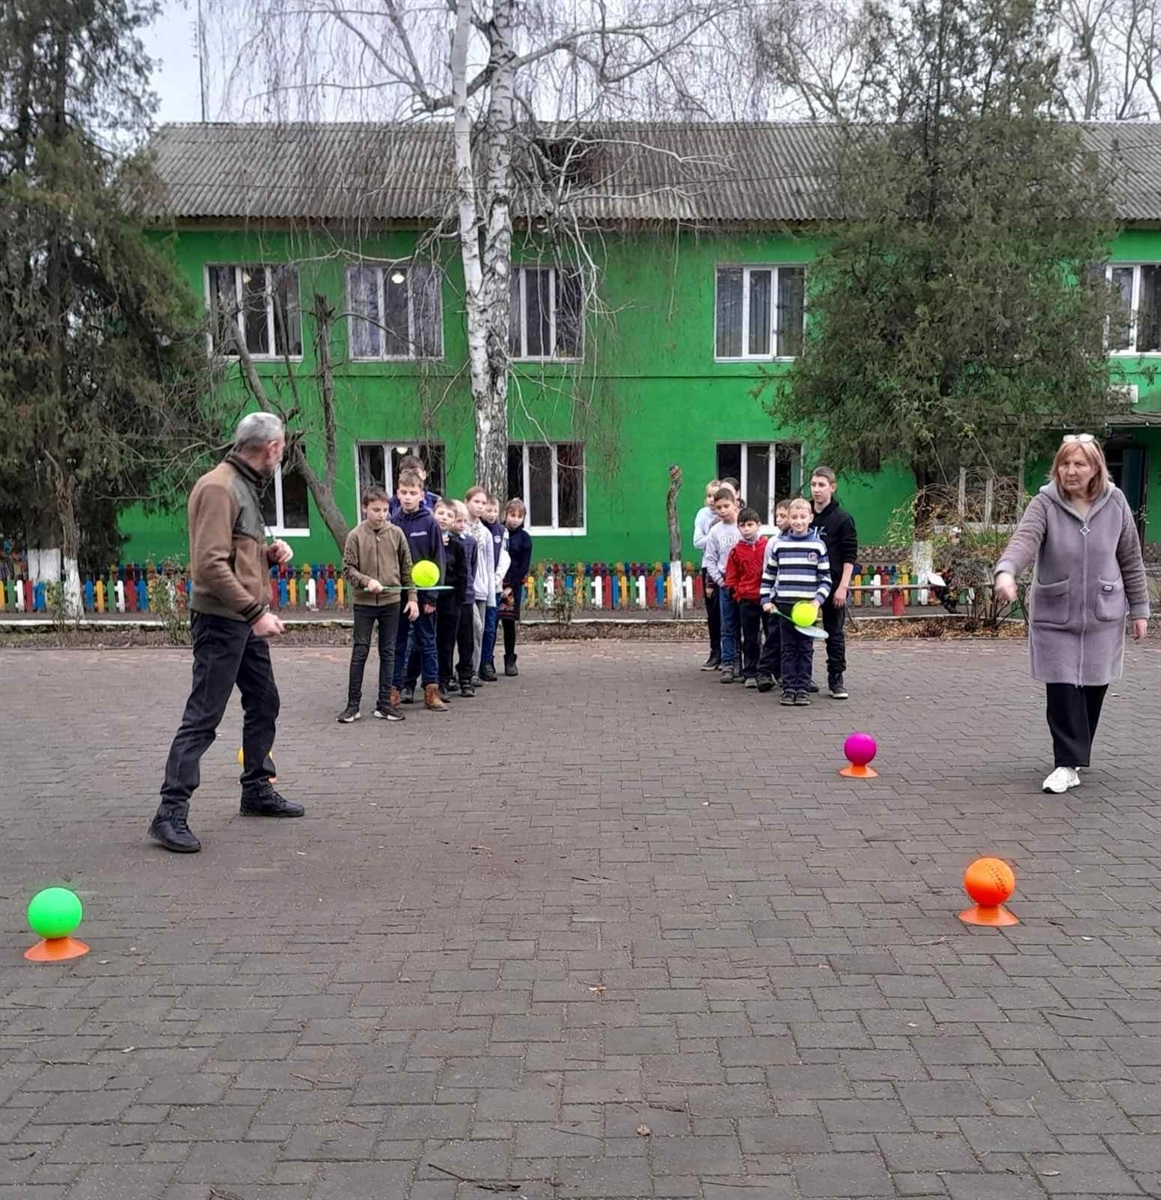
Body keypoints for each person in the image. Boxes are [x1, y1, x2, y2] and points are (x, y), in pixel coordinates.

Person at [149, 412, 302, 854]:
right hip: (222, 621)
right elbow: (209, 566)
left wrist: (267, 556)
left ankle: (256, 788)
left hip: (242, 620)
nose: (282, 455)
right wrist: (255, 613)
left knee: (264, 701)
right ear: (271, 448)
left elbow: (233, 557)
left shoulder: (243, 485)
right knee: (204, 715)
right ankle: (169, 813)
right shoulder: (219, 487)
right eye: (282, 448)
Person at [994, 434, 1149, 795]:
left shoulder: (1116, 502)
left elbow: (1130, 558)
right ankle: (1066, 763)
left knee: (1093, 688)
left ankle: (1075, 755)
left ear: (1096, 468)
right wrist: (1006, 572)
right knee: (1063, 689)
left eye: (1079, 464)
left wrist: (1140, 609)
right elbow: (1023, 541)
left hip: (1103, 614)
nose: (1071, 471)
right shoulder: (1044, 503)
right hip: (1056, 614)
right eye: (1065, 463)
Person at [337, 486, 415, 724]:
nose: (381, 515)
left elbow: (407, 568)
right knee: (360, 650)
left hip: (391, 602)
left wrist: (412, 598)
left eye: (384, 510)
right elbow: (348, 569)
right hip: (365, 603)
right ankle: (353, 705)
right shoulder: (355, 535)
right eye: (376, 510)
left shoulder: (397, 534)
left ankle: (384, 704)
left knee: (388, 652)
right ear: (365, 508)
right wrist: (366, 581)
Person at [762, 497, 831, 706]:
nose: (798, 521)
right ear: (788, 519)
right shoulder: (780, 545)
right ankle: (788, 688)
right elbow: (769, 575)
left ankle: (802, 689)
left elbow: (826, 579)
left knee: (805, 649)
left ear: (810, 518)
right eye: (794, 517)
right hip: (784, 606)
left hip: (807, 609)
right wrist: (765, 599)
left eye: (802, 517)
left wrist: (817, 602)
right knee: (788, 649)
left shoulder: (818, 546)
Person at [391, 470, 447, 712]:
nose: (407, 497)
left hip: (425, 595)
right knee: (398, 643)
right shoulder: (393, 521)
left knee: (427, 642)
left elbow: (439, 559)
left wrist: (432, 597)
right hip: (400, 594)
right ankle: (393, 690)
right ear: (397, 493)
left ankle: (431, 691)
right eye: (404, 492)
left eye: (412, 493)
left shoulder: (430, 522)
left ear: (421, 495)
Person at [810, 466, 857, 699]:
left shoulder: (843, 519)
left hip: (833, 584)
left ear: (832, 487)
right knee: (801, 633)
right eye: (813, 485)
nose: (816, 490)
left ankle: (836, 679)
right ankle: (802, 677)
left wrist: (842, 587)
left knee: (834, 633)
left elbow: (850, 556)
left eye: (821, 485)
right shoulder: (804, 513)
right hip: (806, 586)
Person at [724, 507, 769, 687]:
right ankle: (750, 671)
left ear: (758, 525)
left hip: (766, 599)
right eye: (742, 526)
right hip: (747, 599)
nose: (746, 529)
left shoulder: (767, 546)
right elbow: (731, 576)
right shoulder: (736, 551)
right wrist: (738, 593)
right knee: (750, 638)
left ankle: (770, 670)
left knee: (771, 636)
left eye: (750, 525)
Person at [702, 487, 743, 683]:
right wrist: (719, 580)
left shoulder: (743, 526)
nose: (723, 510)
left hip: (744, 583)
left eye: (726, 506)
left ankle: (742, 664)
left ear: (735, 504)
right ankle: (728, 663)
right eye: (719, 508)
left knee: (745, 624)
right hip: (726, 582)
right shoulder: (715, 531)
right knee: (727, 625)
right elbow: (710, 559)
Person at [433, 499, 469, 700]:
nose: (443, 518)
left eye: (449, 515)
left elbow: (463, 574)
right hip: (428, 600)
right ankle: (424, 681)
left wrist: (460, 599)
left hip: (451, 601)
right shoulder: (428, 542)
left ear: (454, 521)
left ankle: (444, 682)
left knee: (446, 643)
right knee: (426, 643)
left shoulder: (457, 546)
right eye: (440, 513)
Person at [754, 499, 791, 692]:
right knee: (774, 637)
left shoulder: (809, 541)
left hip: (798, 598)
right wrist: (768, 597)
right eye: (777, 515)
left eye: (783, 516)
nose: (778, 519)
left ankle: (792, 675)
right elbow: (768, 572)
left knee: (795, 641)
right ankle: (764, 672)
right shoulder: (774, 543)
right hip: (778, 597)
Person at [463, 486, 495, 682]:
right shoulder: (460, 527)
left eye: (483, 503)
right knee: (471, 626)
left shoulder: (486, 533)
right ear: (466, 502)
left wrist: (491, 597)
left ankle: (472, 671)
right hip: (464, 588)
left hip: (481, 588)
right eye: (476, 502)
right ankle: (458, 670)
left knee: (478, 630)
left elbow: (489, 565)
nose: (480, 506)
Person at [500, 498, 533, 676]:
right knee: (489, 625)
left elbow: (523, 566)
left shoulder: (524, 539)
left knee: (508, 623)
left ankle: (510, 659)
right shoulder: (497, 532)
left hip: (511, 587)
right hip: (493, 584)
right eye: (512, 515)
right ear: (505, 514)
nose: (515, 519)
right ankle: (486, 661)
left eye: (519, 516)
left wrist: (511, 586)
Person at [451, 500, 479, 696]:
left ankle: (466, 677)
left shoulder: (470, 542)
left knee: (466, 639)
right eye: (457, 520)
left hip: (466, 597)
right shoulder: (441, 541)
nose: (461, 525)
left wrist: (467, 589)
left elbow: (472, 569)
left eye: (464, 521)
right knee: (446, 641)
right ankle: (446, 677)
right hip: (447, 598)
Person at [693, 479, 723, 670]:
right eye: (709, 496)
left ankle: (730, 655)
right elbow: (697, 541)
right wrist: (714, 536)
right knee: (712, 613)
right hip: (709, 568)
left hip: (726, 568)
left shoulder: (729, 514)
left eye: (716, 495)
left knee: (727, 614)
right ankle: (715, 652)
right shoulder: (703, 515)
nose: (712, 500)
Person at [479, 495, 508, 681]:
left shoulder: (502, 531)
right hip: (478, 586)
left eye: (495, 511)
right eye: (488, 510)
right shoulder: (477, 530)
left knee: (490, 627)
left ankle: (486, 661)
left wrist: (496, 580)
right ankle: (472, 664)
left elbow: (504, 558)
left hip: (494, 587)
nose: (491, 514)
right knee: (476, 627)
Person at [388, 454, 440, 519]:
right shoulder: (392, 502)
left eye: (415, 472)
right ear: (400, 476)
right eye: (406, 472)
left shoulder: (435, 501)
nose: (411, 475)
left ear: (424, 475)